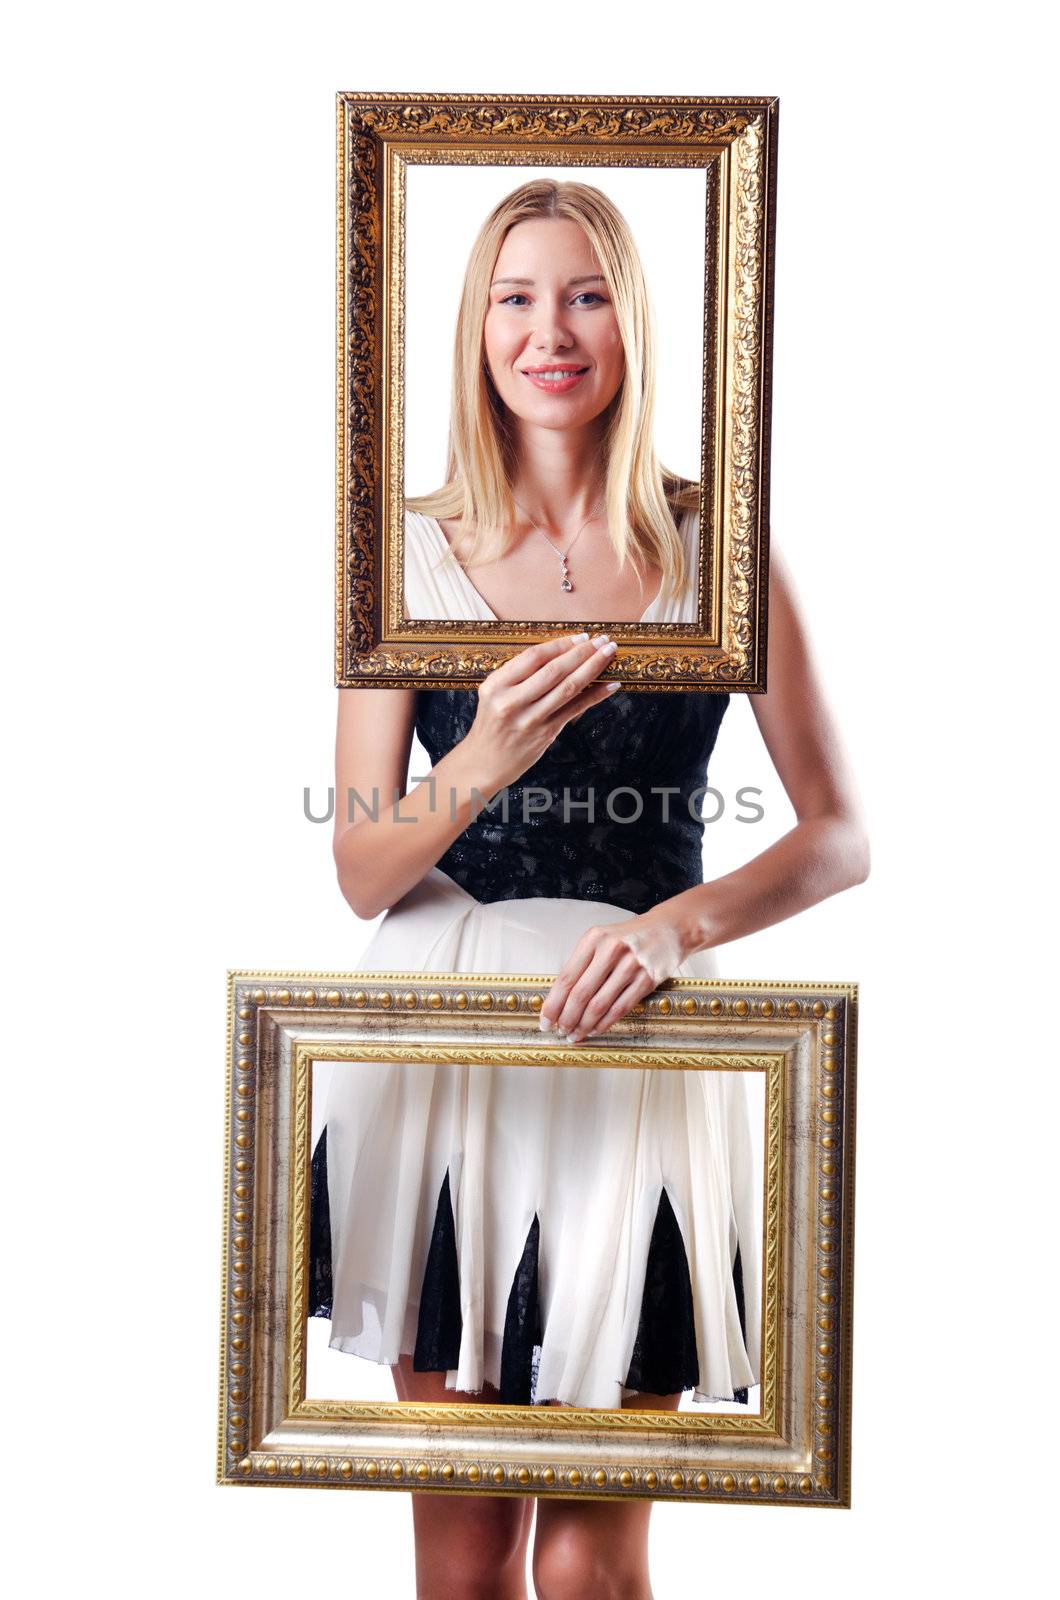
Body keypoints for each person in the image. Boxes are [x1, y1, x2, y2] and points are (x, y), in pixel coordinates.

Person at [317, 180, 869, 1600]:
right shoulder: (408, 548)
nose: (549, 331)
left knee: (594, 1561)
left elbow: (839, 834)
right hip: (451, 1044)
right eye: (516, 296)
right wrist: (488, 752)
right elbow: (364, 866)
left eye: (584, 294)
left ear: (630, 317)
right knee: (464, 1547)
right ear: (474, 326)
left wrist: (676, 928)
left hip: (638, 1043)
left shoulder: (716, 548)